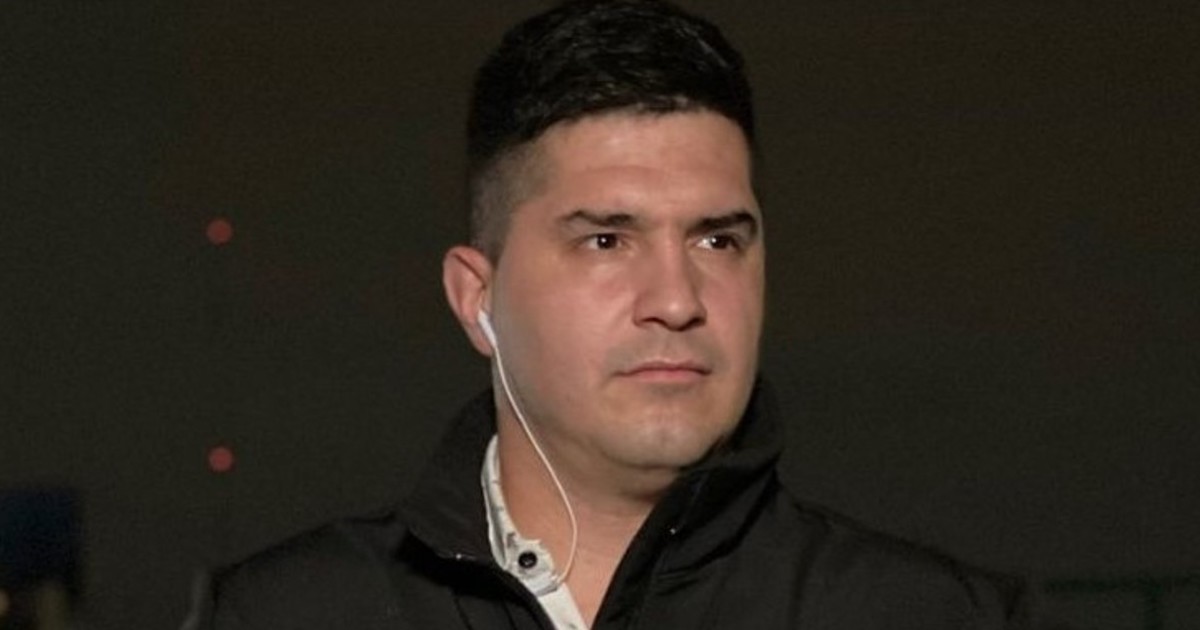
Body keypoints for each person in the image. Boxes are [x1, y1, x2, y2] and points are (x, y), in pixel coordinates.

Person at [184, 1, 1032, 628]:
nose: (677, 300)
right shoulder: (286, 614)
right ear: (477, 299)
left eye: (717, 241)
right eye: (605, 241)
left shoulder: (936, 616)